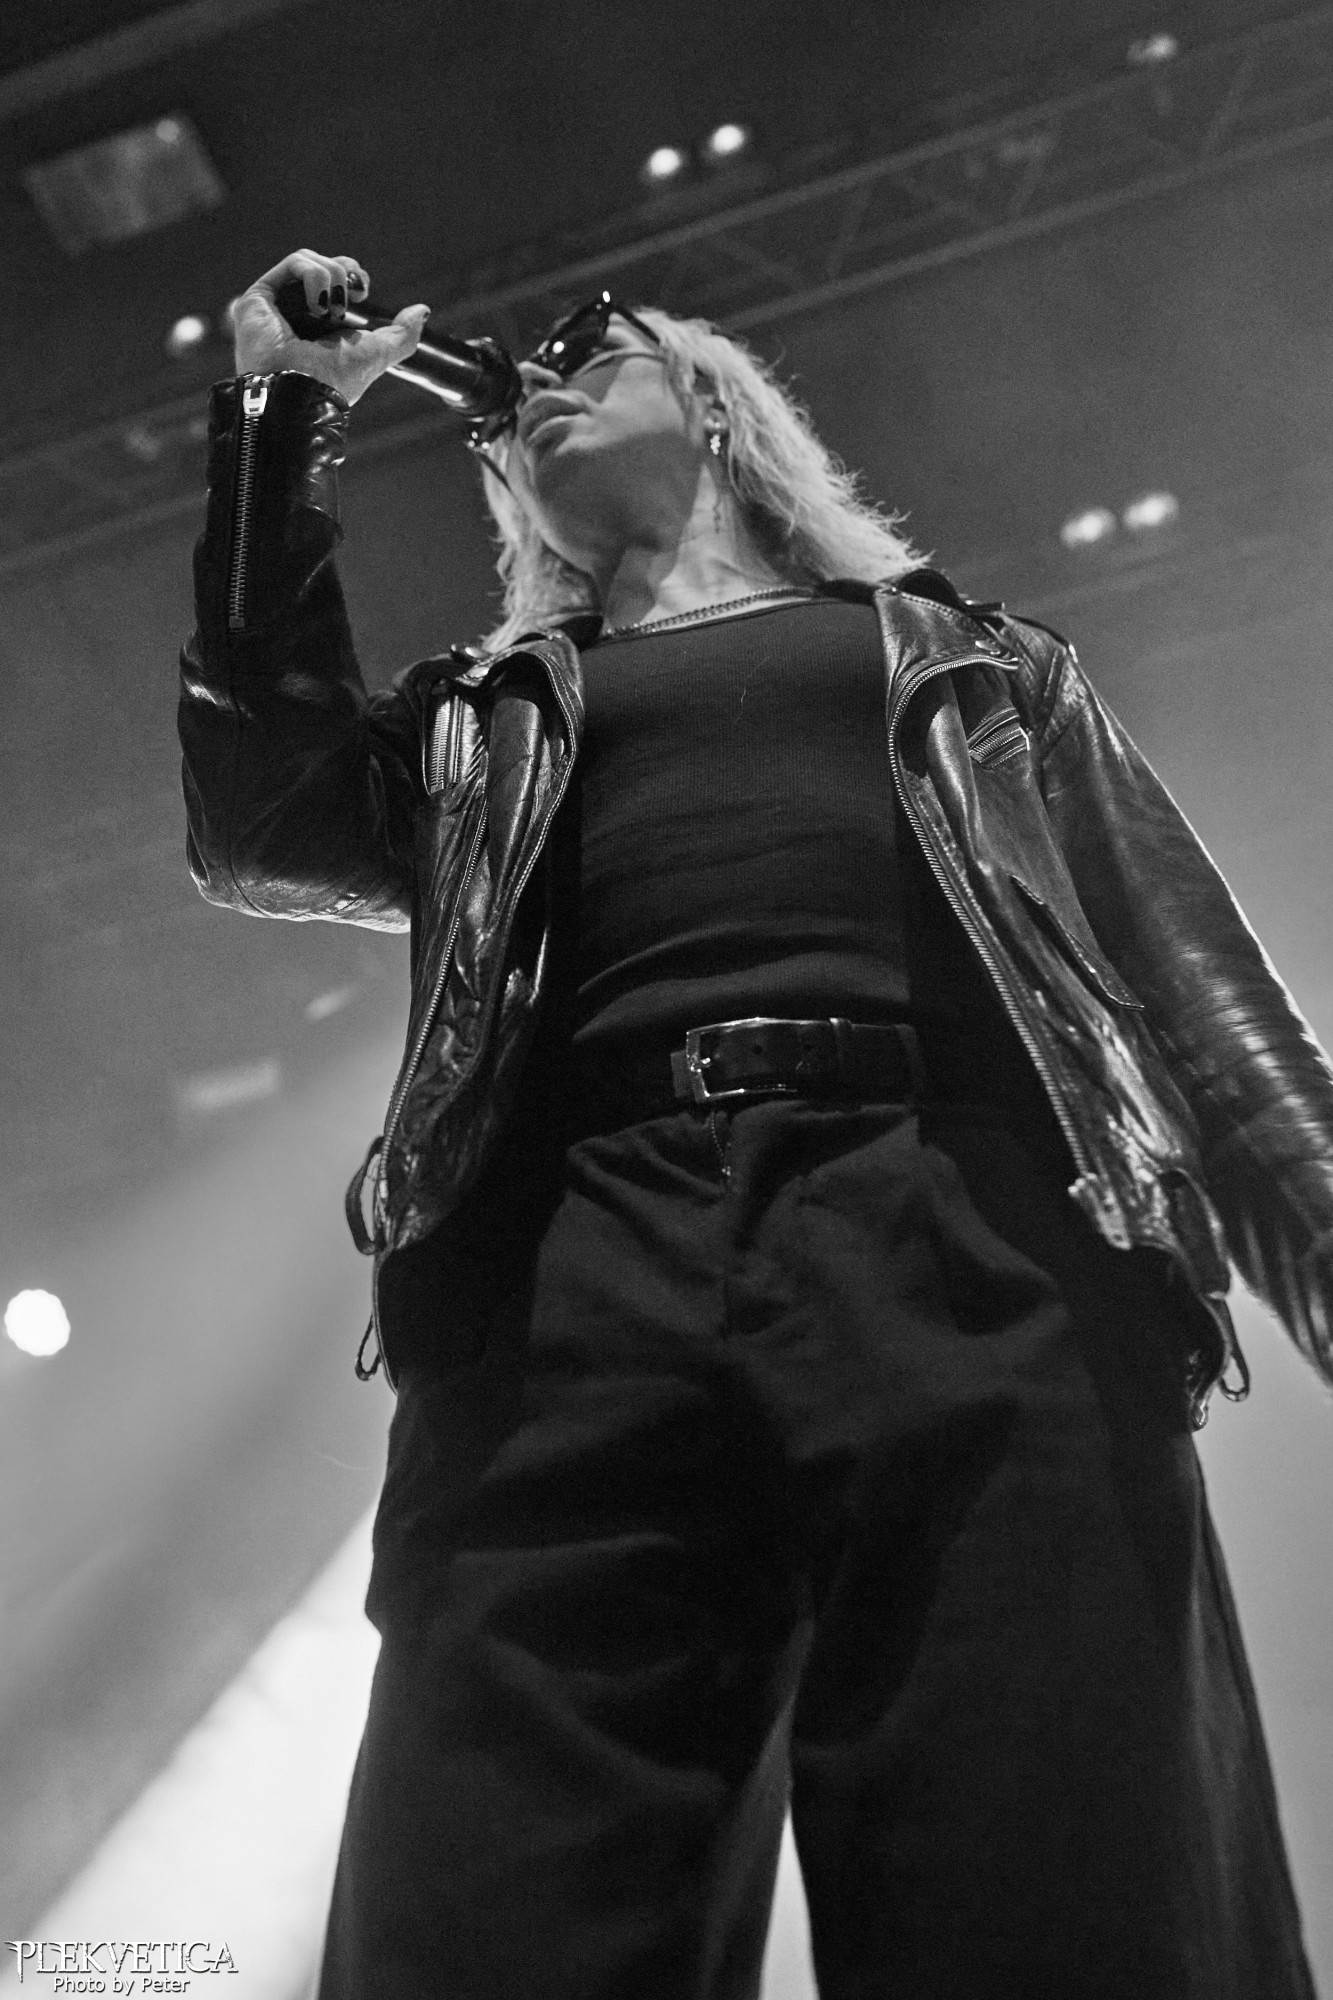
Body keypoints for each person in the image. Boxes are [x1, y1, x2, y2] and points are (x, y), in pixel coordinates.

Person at [178, 248, 1332, 2000]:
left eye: (597, 341)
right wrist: (279, 423)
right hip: (562, 1292)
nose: (543, 373)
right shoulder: (480, 723)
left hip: (976, 1259)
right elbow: (259, 825)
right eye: (523, 383)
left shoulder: (975, 664)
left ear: (716, 405)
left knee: (1052, 1906)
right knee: (488, 1913)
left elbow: (1211, 1021)